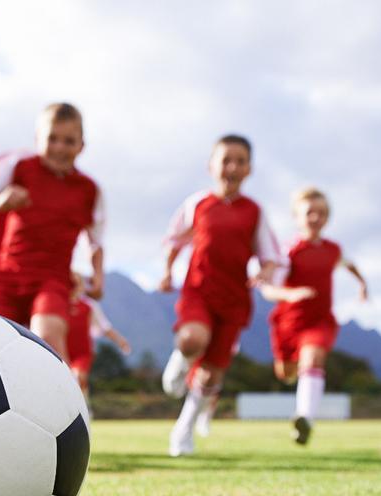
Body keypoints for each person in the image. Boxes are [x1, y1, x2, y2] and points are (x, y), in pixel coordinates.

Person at [158, 134, 283, 457]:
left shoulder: (254, 212)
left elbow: (271, 256)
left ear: (249, 169)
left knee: (212, 373)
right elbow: (173, 239)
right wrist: (168, 271)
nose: (232, 166)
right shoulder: (198, 203)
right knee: (192, 340)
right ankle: (180, 362)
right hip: (198, 291)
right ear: (211, 165)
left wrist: (264, 272)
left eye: (240, 161)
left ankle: (183, 431)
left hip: (234, 301)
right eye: (226, 159)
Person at [0, 103, 104, 360]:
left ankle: (62, 399)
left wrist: (98, 277)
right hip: (4, 278)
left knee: (47, 339)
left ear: (81, 146)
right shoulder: (18, 167)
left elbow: (95, 241)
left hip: (52, 280)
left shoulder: (89, 190)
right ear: (38, 139)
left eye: (68, 141)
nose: (59, 148)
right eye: (52, 139)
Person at [260, 187, 369, 445]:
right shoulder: (288, 252)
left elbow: (349, 263)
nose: (316, 218)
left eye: (321, 213)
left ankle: (305, 418)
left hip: (319, 321)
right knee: (286, 373)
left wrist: (362, 283)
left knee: (313, 357)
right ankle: (302, 388)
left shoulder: (333, 250)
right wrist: (291, 294)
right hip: (288, 323)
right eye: (310, 213)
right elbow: (268, 290)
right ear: (297, 217)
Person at [67, 274, 131, 415]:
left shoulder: (89, 306)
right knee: (65, 381)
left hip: (82, 352)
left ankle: (83, 409)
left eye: (76, 283)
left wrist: (121, 341)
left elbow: (105, 327)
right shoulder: (57, 304)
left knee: (78, 377)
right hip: (61, 351)